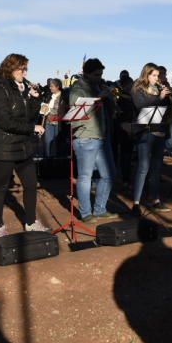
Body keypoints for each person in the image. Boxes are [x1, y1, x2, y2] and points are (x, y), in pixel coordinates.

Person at [0, 53, 47, 239]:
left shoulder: (23, 88)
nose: (25, 72)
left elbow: (29, 116)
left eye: (26, 68)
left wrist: (35, 99)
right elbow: (5, 122)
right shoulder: (0, 90)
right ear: (10, 69)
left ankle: (30, 221)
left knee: (30, 184)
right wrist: (31, 127)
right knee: (0, 187)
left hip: (22, 146)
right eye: (21, 68)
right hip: (3, 146)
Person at [68, 58, 118, 221]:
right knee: (85, 176)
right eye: (97, 74)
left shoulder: (98, 86)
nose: (100, 77)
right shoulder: (77, 88)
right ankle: (86, 213)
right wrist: (99, 98)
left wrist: (110, 99)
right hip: (85, 137)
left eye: (101, 74)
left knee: (109, 174)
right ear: (87, 73)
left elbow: (111, 112)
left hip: (101, 136)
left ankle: (99, 209)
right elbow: (76, 115)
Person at [130, 64, 172, 215]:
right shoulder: (138, 88)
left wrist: (168, 97)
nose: (157, 78)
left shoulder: (158, 89)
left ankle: (154, 199)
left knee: (156, 168)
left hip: (159, 131)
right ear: (146, 75)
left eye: (158, 75)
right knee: (143, 167)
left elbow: (165, 110)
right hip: (145, 131)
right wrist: (159, 98)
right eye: (154, 75)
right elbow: (141, 105)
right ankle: (136, 202)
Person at [40, 78, 65, 158]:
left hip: (58, 123)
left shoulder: (63, 97)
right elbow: (45, 108)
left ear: (58, 87)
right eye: (50, 86)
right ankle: (48, 160)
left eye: (52, 86)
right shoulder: (49, 96)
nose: (50, 88)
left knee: (56, 143)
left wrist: (52, 113)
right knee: (47, 142)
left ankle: (56, 161)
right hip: (48, 123)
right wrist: (43, 109)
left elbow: (62, 111)